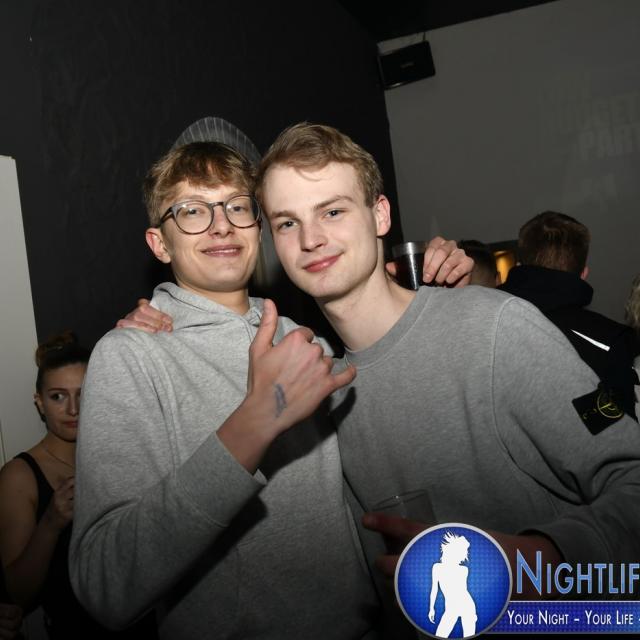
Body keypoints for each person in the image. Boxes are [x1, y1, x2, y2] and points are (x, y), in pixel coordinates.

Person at [253, 123, 640, 601]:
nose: (310, 238)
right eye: (287, 223)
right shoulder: (317, 384)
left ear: (379, 215)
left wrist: (540, 561)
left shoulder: (497, 326)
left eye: (332, 211)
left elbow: (630, 470)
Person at [0, 333, 156, 639]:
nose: (73, 409)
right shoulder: (20, 476)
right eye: (58, 396)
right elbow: (17, 593)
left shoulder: (125, 457)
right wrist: (51, 522)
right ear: (39, 402)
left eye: (84, 394)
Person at [499, 211, 639, 420]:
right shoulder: (611, 341)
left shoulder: (482, 322)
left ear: (518, 266)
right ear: (583, 274)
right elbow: (616, 431)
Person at [428, 532, 476, 638]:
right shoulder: (437, 567)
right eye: (464, 551)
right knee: (440, 635)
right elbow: (434, 589)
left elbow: (463, 591)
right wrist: (431, 608)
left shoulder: (464, 570)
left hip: (467, 606)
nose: (465, 554)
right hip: (451, 608)